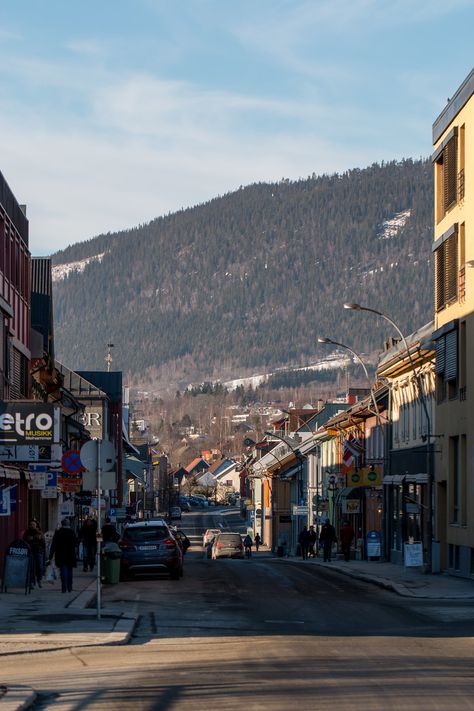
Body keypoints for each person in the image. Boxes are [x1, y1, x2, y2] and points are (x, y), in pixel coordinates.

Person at [48, 518, 78, 593]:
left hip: (61, 554)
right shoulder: (72, 532)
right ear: (68, 524)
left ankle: (64, 587)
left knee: (63, 570)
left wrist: (50, 555)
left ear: (62, 524)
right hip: (70, 554)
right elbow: (76, 543)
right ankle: (70, 587)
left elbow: (53, 545)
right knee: (69, 571)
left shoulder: (58, 532)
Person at [23, 519, 46, 587]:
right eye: (31, 524)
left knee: (39, 567)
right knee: (31, 567)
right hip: (30, 551)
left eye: (33, 524)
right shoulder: (27, 532)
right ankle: (32, 582)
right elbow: (24, 540)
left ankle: (39, 579)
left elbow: (43, 542)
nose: (32, 526)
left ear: (36, 525)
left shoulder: (39, 532)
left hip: (39, 551)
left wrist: (39, 538)